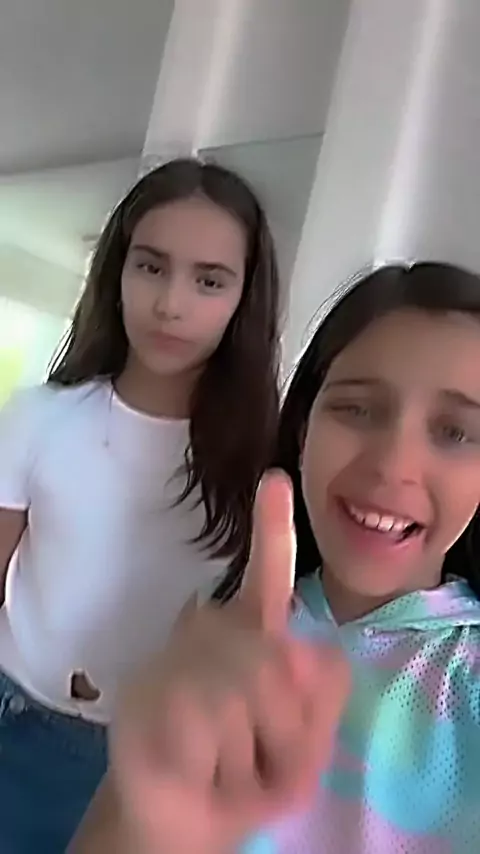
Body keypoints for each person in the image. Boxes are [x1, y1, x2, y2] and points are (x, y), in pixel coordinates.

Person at [72, 260, 480, 853]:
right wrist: (155, 828)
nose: (393, 465)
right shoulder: (219, 630)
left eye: (455, 432)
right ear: (304, 428)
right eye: (357, 409)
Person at [0, 157, 281, 852]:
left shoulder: (266, 462)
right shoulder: (38, 418)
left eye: (209, 280)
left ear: (244, 298)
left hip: (150, 766)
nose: (170, 303)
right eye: (151, 267)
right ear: (118, 272)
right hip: (13, 721)